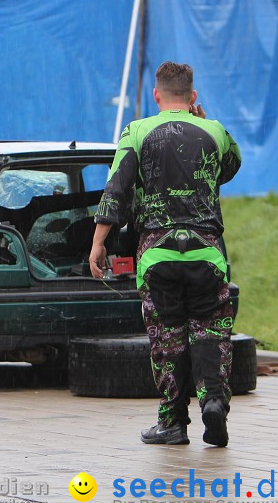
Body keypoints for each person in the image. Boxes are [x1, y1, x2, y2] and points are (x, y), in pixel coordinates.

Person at [89, 62, 241, 447]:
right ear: (192, 97)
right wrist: (206, 123)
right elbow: (228, 169)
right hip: (207, 253)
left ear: (157, 95)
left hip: (157, 256)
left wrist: (98, 243)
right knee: (211, 331)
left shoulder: (137, 131)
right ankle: (214, 402)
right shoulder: (216, 131)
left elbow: (117, 188)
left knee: (167, 338)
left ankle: (172, 422)